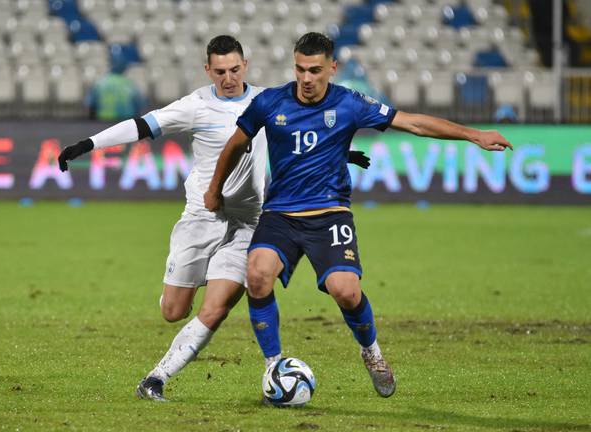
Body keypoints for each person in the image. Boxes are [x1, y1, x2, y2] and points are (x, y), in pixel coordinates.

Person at [58, 35, 370, 402]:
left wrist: (342, 154)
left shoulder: (269, 101)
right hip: (201, 217)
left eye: (235, 69)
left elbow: (304, 135)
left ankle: (155, 379)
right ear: (208, 70)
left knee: (216, 307)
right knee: (174, 311)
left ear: (245, 66)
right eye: (220, 71)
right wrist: (89, 144)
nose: (228, 78)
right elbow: (143, 126)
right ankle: (191, 277)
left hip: (251, 222)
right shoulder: (196, 105)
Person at [204, 32, 513, 399]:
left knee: (346, 292)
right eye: (300, 69)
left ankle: (372, 352)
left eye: (315, 70)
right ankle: (274, 365)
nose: (306, 79)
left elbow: (412, 123)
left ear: (332, 68)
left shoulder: (350, 104)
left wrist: (473, 135)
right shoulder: (270, 102)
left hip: (330, 213)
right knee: (257, 275)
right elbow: (236, 143)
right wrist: (214, 188)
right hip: (281, 213)